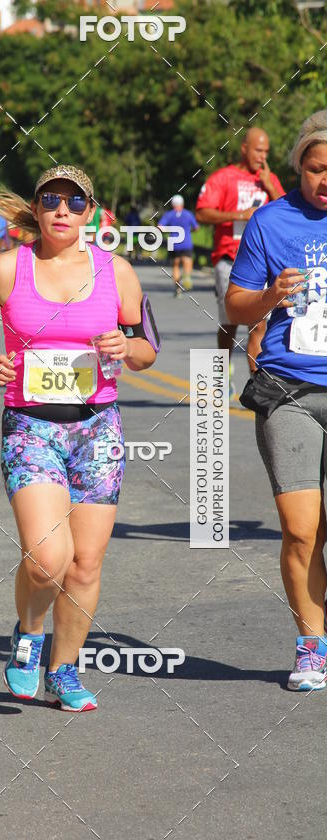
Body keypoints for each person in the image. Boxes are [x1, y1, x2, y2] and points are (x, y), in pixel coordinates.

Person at [0, 165, 158, 711]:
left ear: (90, 212)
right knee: (48, 559)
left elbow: (147, 349)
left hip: (98, 429)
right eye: (51, 201)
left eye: (74, 201)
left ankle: (64, 668)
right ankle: (28, 635)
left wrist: (125, 348)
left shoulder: (117, 272)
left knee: (85, 563)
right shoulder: (5, 269)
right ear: (38, 210)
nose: (62, 210)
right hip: (32, 427)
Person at [225, 110, 327, 691]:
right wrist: (268, 296)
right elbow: (234, 307)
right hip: (289, 389)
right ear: (298, 167)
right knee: (300, 529)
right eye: (315, 169)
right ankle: (311, 643)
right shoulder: (271, 222)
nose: (325, 180)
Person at [196, 127, 285, 396]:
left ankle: (258, 385)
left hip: (262, 263)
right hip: (229, 259)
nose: (263, 156)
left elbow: (290, 214)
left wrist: (270, 186)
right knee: (230, 323)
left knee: (258, 322)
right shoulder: (223, 178)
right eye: (258, 150)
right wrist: (238, 215)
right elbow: (202, 213)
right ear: (244, 148)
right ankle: (221, 374)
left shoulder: (269, 179)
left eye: (267, 151)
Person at [159, 194, 199, 295]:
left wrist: (169, 231)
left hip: (174, 244)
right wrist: (190, 230)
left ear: (172, 204)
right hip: (186, 243)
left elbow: (159, 227)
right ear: (182, 203)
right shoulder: (188, 214)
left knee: (176, 265)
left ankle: (177, 287)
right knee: (187, 261)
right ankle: (187, 277)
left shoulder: (169, 215)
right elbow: (196, 227)